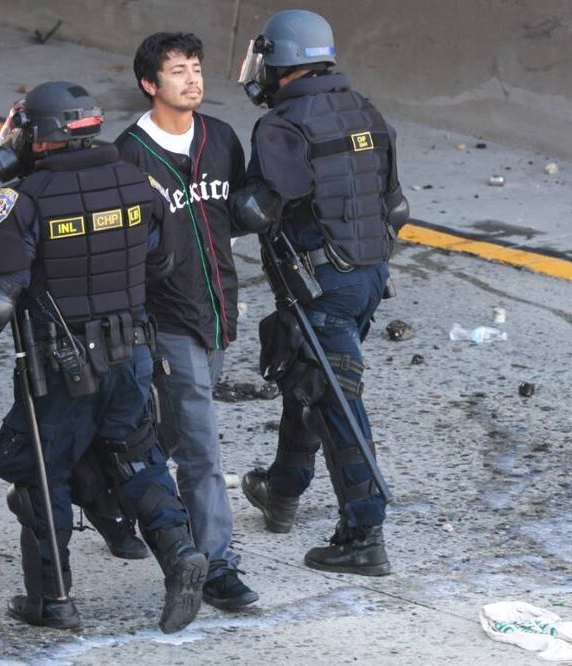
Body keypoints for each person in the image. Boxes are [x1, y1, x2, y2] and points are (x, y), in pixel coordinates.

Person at [0, 81, 207, 632]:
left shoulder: (17, 201)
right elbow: (165, 257)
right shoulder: (138, 179)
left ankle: (52, 600)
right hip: (131, 351)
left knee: (42, 475)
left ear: (41, 137)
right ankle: (181, 553)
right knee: (138, 457)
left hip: (60, 364)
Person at [231, 10, 410, 576]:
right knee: (304, 377)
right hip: (366, 278)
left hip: (320, 284)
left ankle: (364, 533)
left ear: (278, 59)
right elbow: (394, 205)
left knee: (336, 403)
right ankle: (283, 490)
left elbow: (260, 208)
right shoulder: (367, 111)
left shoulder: (284, 124)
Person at [86, 31, 257, 610]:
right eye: (178, 70)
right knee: (203, 449)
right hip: (165, 320)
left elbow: (231, 218)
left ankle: (108, 495)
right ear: (148, 84)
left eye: (196, 68)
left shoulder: (222, 140)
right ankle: (216, 566)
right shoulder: (129, 155)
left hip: (217, 313)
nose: (192, 79)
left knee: (172, 431)